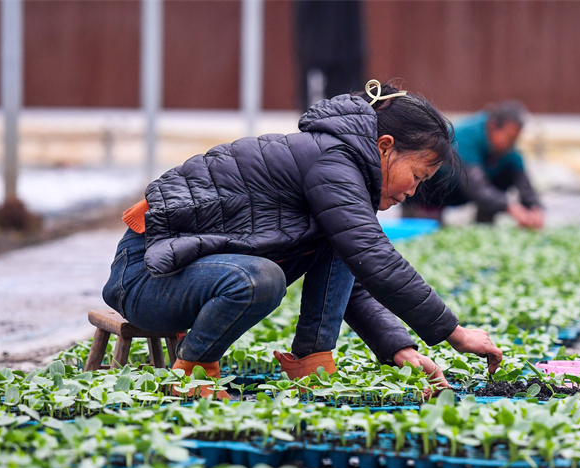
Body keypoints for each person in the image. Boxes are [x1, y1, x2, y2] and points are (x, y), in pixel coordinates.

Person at [102, 80, 503, 399]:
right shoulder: (331, 161)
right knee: (261, 279)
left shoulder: (339, 167)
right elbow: (375, 257)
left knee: (338, 248)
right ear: (385, 147)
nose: (412, 192)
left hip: (192, 277)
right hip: (145, 279)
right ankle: (192, 370)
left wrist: (397, 346)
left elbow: (355, 274)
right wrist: (455, 333)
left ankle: (312, 360)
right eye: (416, 176)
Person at [403, 101, 544, 229]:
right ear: (493, 126)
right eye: (509, 138)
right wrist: (510, 206)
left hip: (458, 190)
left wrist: (534, 207)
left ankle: (485, 224)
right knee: (424, 230)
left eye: (515, 139)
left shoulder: (507, 150)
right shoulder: (467, 136)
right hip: (429, 192)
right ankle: (422, 222)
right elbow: (475, 187)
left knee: (508, 171)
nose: (511, 144)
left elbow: (521, 178)